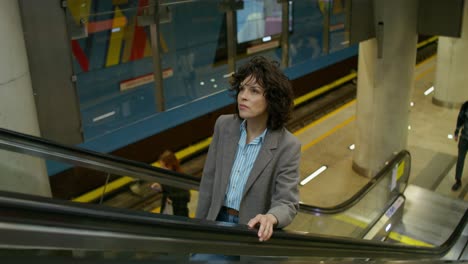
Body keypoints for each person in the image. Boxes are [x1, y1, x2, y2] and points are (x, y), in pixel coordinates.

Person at [196, 56, 301, 242]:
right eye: (242, 88)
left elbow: (287, 202)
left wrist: (271, 217)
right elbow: (208, 183)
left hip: (252, 232)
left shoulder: (288, 146)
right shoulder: (224, 125)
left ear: (272, 99)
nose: (243, 96)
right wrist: (198, 229)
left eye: (254, 91)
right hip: (216, 223)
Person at [154, 150, 191, 216]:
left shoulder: (181, 178)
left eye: (164, 167)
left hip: (179, 216)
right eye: (161, 167)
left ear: (172, 165)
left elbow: (186, 197)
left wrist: (164, 189)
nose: (162, 169)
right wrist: (161, 188)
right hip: (169, 212)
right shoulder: (167, 178)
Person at [452, 101, 468, 191]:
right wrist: (456, 132)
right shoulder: (466, 106)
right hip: (464, 138)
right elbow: (460, 119)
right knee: (460, 159)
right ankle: (458, 180)